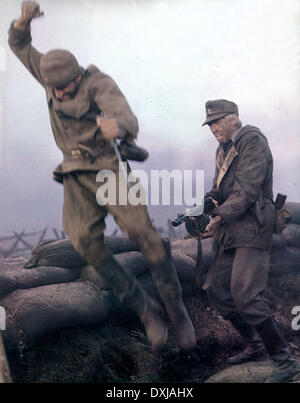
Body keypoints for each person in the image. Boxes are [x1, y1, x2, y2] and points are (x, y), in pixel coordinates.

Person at [8, 1, 196, 352]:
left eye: (65, 89)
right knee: (83, 242)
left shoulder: (98, 83)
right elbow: (19, 46)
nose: (59, 95)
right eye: (55, 90)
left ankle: (177, 310)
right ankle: (146, 310)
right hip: (74, 176)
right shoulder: (49, 76)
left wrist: (119, 125)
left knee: (145, 236)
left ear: (76, 76)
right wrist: (22, 21)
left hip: (108, 169)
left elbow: (127, 117)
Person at [200, 99, 300, 383]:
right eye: (210, 124)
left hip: (253, 227)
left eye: (217, 122)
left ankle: (285, 360)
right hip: (230, 231)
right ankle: (255, 343)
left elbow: (246, 190)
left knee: (245, 293)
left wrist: (218, 216)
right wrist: (208, 205)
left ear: (234, 119)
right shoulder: (223, 150)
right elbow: (219, 189)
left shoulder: (252, 141)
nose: (213, 128)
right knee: (218, 290)